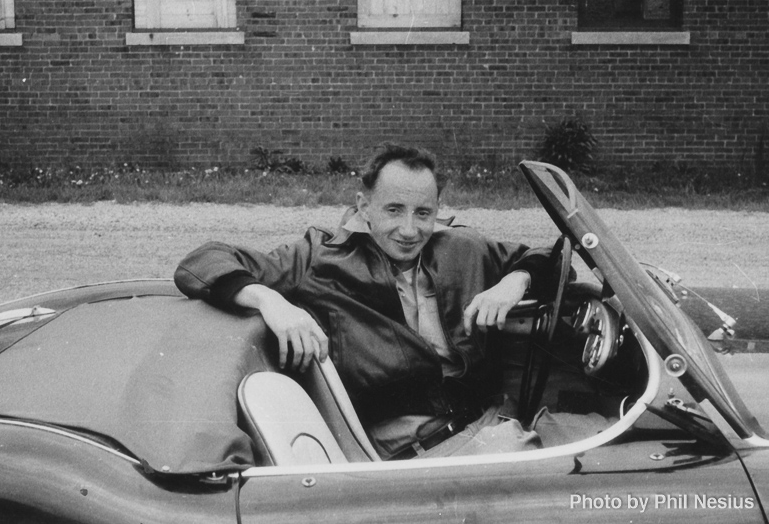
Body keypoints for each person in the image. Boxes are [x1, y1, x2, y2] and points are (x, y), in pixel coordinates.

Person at [174, 144, 575, 460]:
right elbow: (202, 261)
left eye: (424, 213)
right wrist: (270, 301)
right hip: (414, 455)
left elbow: (556, 259)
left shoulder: (464, 247)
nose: (409, 229)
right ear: (364, 206)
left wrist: (515, 281)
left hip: (490, 424)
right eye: (394, 210)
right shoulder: (320, 257)